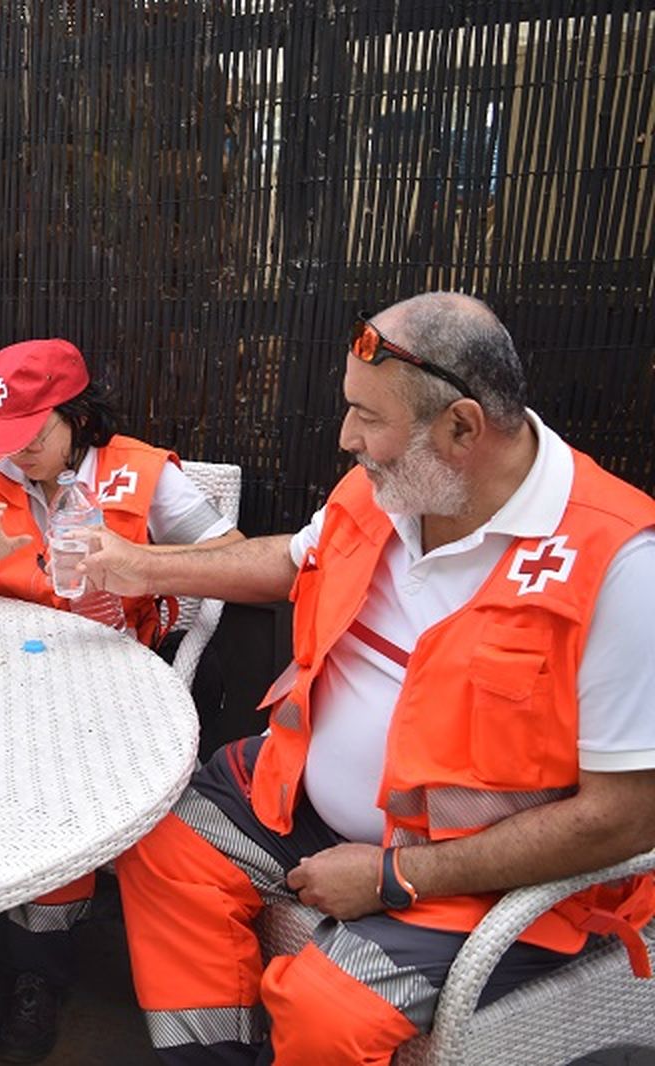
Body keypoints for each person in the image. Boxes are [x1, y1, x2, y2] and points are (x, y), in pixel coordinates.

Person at [83, 292, 655, 1064]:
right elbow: (289, 561)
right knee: (161, 844)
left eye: (368, 417)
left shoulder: (619, 565)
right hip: (298, 798)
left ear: (461, 427)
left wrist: (395, 875)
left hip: (473, 873)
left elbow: (623, 819)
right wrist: (142, 565)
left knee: (327, 1010)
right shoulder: (392, 489)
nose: (347, 437)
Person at [0, 337, 241, 1063]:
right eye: (8, 437)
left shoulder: (143, 474)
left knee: (55, 790)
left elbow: (235, 557)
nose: (20, 453)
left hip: (106, 682)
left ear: (77, 414)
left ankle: (38, 974)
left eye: (35, 433)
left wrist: (138, 565)